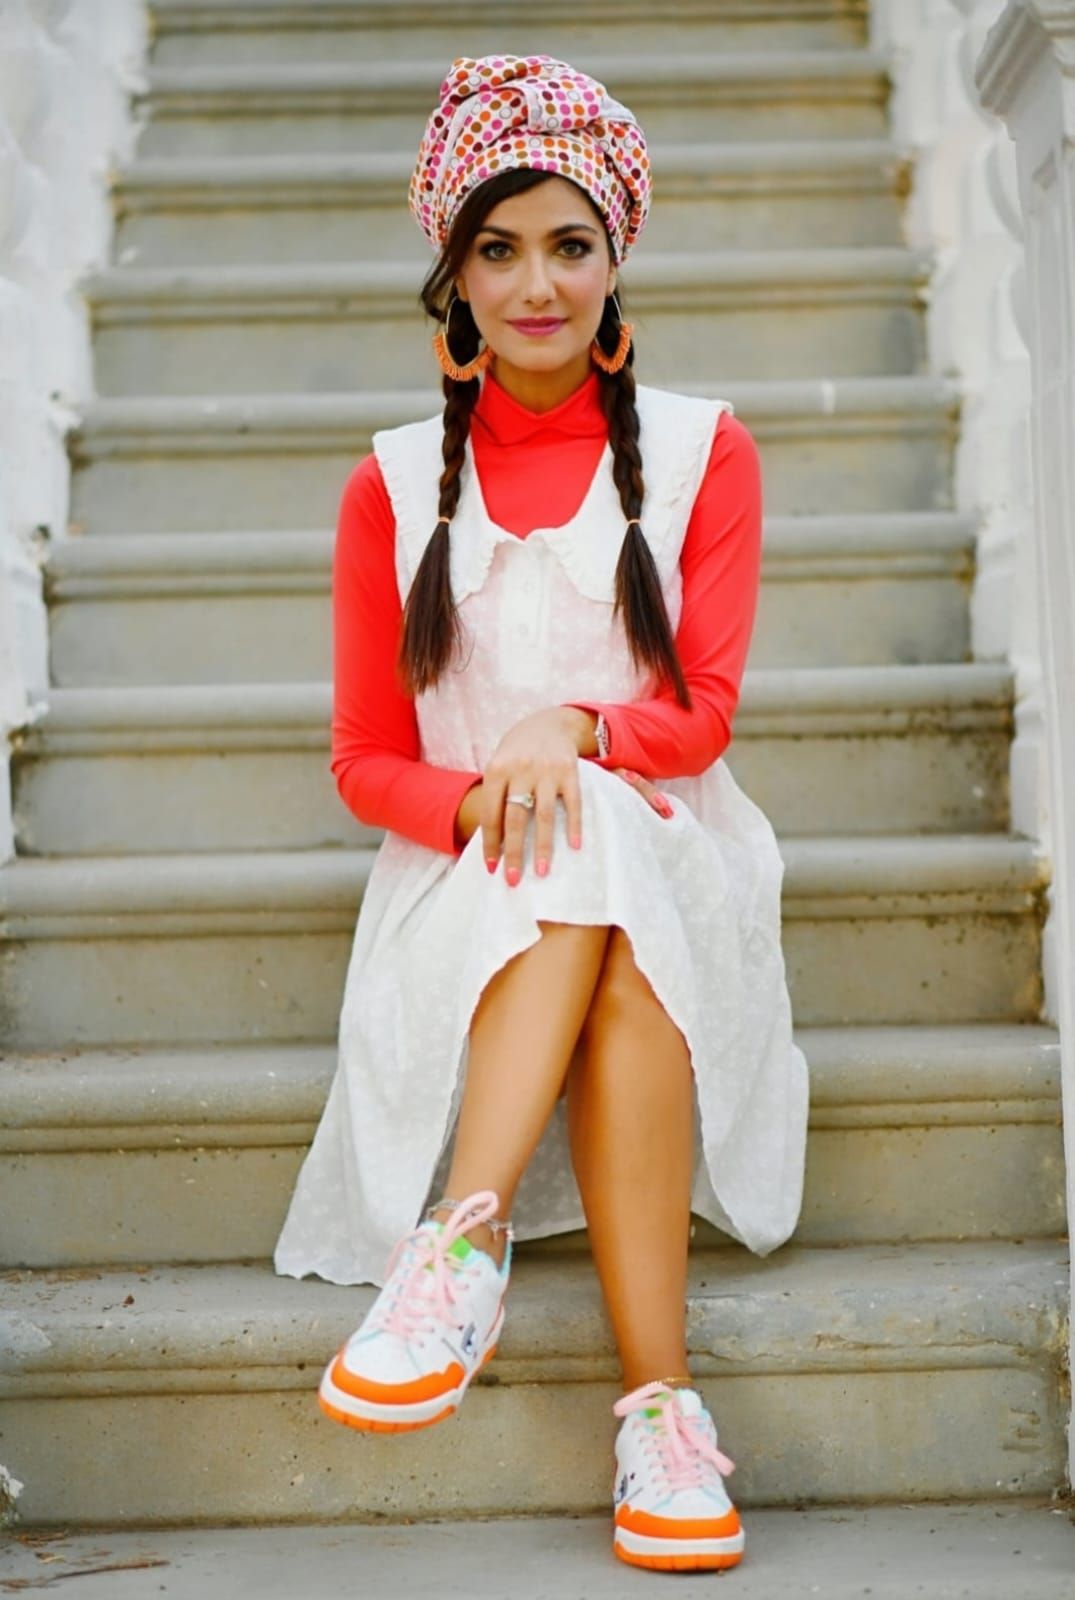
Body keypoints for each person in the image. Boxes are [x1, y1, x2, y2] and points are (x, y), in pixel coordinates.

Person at [273, 52, 809, 1573]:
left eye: (570, 245)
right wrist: (498, 798)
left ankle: (464, 1244)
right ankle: (662, 1413)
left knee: (607, 832)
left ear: (614, 258)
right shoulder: (390, 488)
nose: (536, 285)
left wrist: (570, 730)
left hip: (674, 877)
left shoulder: (703, 453)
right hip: (467, 897)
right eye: (498, 249)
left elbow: (701, 713)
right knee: (576, 840)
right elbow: (365, 761)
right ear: (453, 271)